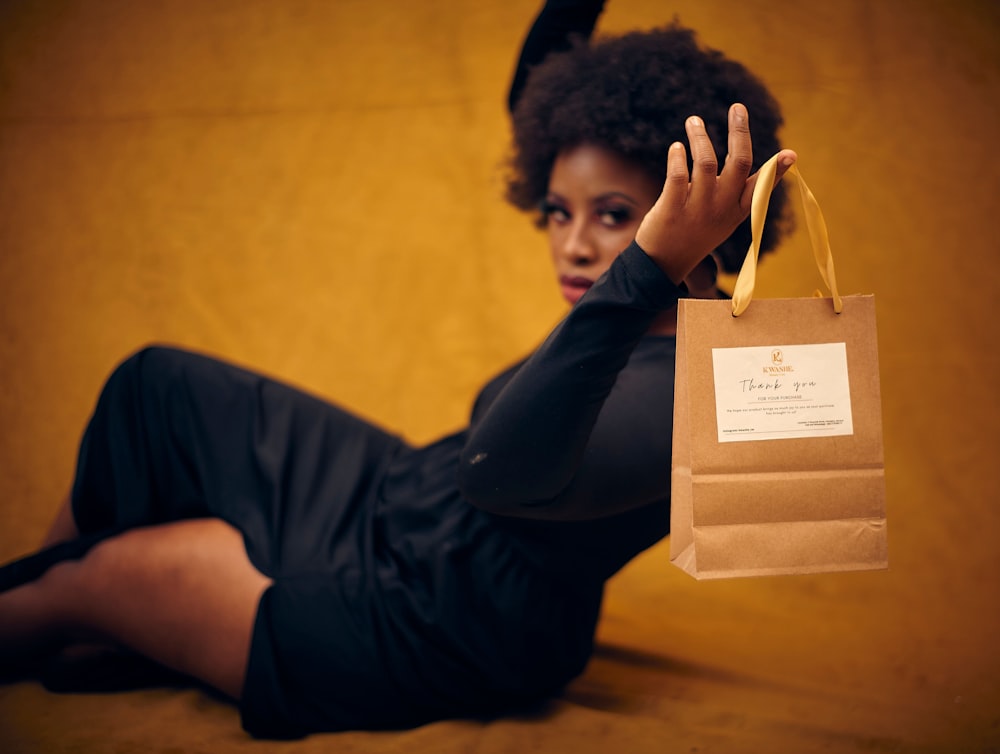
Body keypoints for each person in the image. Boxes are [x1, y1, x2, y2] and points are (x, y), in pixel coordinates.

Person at [0, 0, 795, 739]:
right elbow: (545, 100)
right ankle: (85, 629)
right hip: (407, 498)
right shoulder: (621, 306)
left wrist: (648, 269)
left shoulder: (707, 381)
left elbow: (498, 474)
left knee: (96, 579)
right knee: (153, 391)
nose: (573, 244)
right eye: (558, 210)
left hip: (446, 621)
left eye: (614, 215)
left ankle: (78, 618)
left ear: (693, 217)